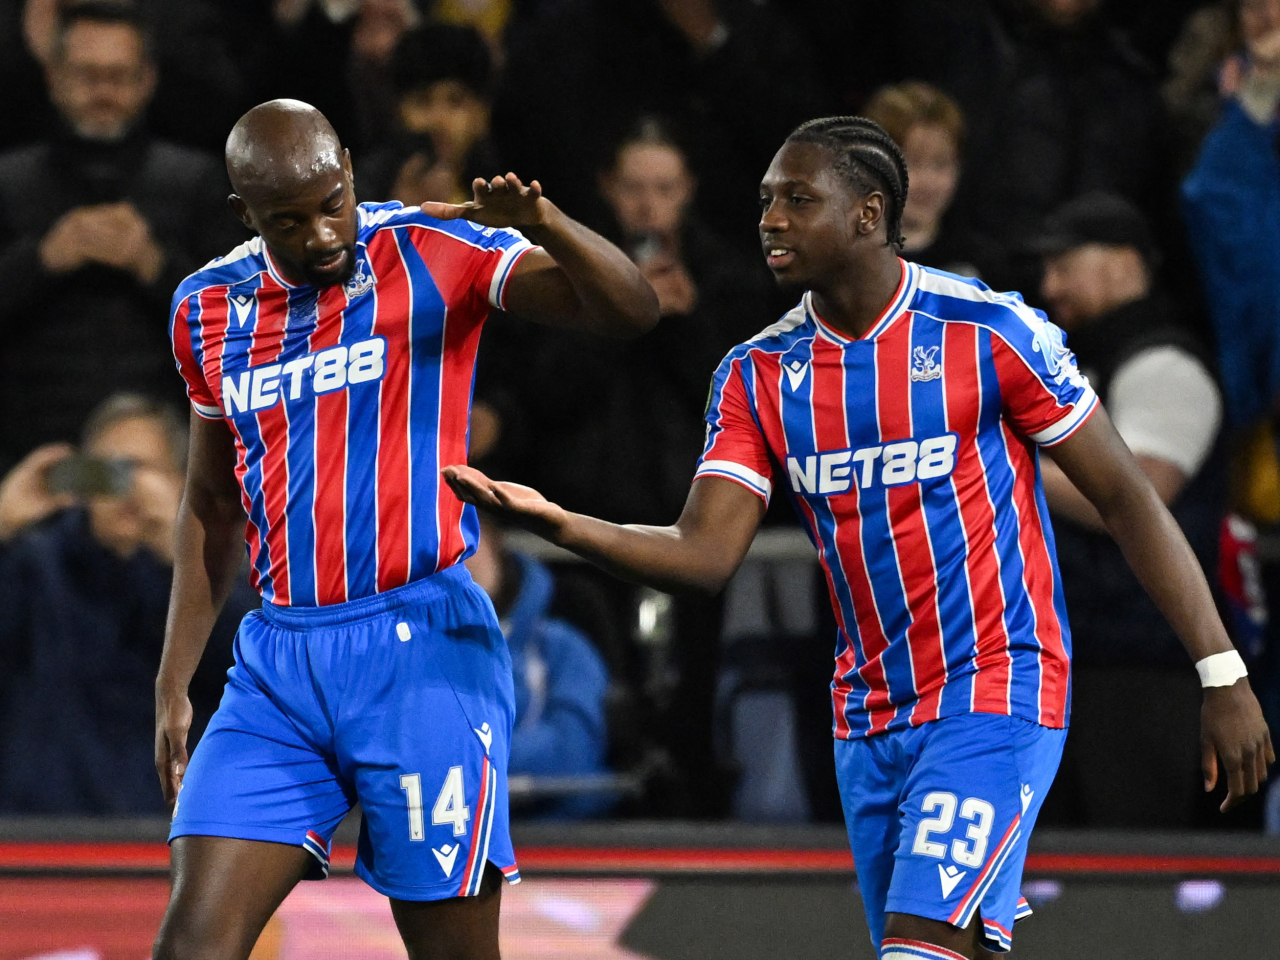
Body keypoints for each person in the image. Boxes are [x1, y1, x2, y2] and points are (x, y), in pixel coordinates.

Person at [444, 116, 1273, 959]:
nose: (770, 219)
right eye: (766, 201)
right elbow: (703, 556)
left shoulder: (987, 332)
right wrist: (563, 522)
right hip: (868, 714)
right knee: (948, 948)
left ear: (869, 215)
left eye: (798, 201)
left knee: (917, 950)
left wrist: (1220, 670)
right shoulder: (758, 373)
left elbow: (1130, 500)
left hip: (996, 686)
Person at [151, 100, 656, 959]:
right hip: (277, 667)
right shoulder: (204, 309)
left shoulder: (428, 247)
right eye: (288, 221)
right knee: (191, 948)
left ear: (349, 166)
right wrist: (174, 678)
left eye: (331, 201)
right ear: (245, 216)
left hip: (423, 650)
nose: (319, 234)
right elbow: (210, 505)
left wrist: (547, 223)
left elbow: (630, 310)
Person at [1032, 192, 1226, 827]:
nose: (1048, 284)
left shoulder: (1163, 362)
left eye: (1064, 264)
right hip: (1079, 655)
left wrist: (1011, 462)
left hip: (1143, 663)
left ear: (1122, 263)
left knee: (1129, 867)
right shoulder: (1085, 364)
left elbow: (1145, 492)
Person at [0, 1, 239, 471]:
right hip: (33, 448)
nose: (102, 92)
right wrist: (42, 259)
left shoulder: (197, 183)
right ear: (54, 78)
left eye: (118, 76)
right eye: (87, 76)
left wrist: (154, 265)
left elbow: (241, 326)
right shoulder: (8, 185)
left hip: (166, 448)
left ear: (147, 80)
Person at [0, 394, 252, 815]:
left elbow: (251, 670)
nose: (126, 489)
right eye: (108, 472)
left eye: (142, 471)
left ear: (182, 481)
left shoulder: (220, 577)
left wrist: (183, 551)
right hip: (39, 835)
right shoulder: (34, 566)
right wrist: (2, 525)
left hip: (168, 835)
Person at [465, 516, 611, 818]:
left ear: (494, 545)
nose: (456, 557)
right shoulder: (400, 653)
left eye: (467, 538)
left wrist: (462, 763)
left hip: (555, 841)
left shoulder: (560, 648)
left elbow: (572, 758)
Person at [861, 81, 1003, 283]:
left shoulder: (983, 263)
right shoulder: (843, 264)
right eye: (912, 163)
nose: (928, 182)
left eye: (941, 164)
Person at [357, 22, 503, 209]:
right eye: (422, 101)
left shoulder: (504, 189)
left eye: (455, 101)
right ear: (398, 111)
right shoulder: (362, 192)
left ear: (481, 114)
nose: (439, 119)